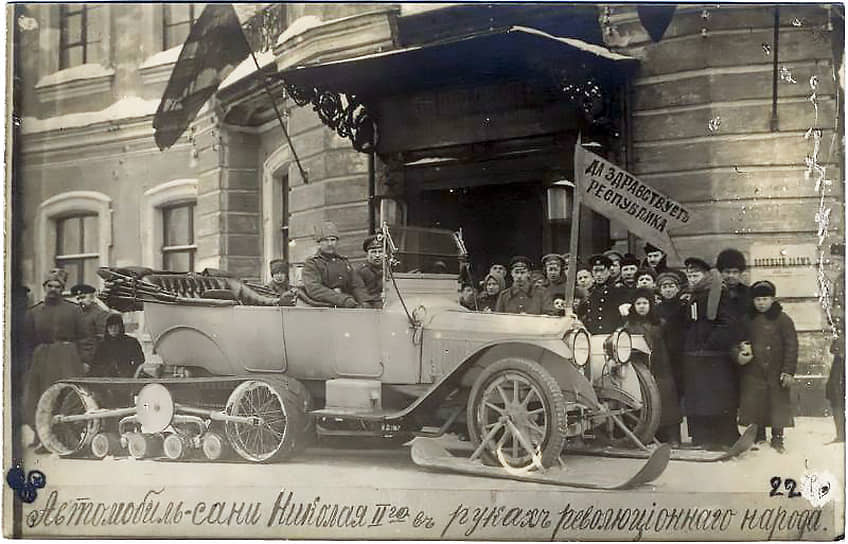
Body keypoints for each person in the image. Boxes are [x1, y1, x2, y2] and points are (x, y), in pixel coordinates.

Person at [680, 257, 741, 450]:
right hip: (695, 355)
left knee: (719, 398)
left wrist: (709, 344)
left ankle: (725, 438)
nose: (692, 279)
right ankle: (702, 437)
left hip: (715, 356)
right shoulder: (692, 295)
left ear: (705, 275)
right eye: (689, 275)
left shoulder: (719, 293)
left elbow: (727, 323)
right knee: (698, 399)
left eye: (695, 275)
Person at [21, 269, 86, 448]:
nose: (53, 289)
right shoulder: (33, 312)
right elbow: (27, 341)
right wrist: (28, 364)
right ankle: (40, 435)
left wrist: (85, 361)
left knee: (64, 397)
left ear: (62, 289)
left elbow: (86, 337)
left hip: (66, 358)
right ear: (44, 287)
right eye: (50, 286)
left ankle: (61, 436)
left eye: (58, 286)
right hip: (41, 358)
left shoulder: (74, 310)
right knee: (34, 398)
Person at [738, 281, 798, 453]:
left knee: (777, 405)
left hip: (776, 370)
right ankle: (759, 436)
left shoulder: (783, 319)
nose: (761, 303)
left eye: (765, 299)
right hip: (753, 370)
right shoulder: (747, 319)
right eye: (757, 299)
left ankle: (777, 438)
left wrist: (788, 370)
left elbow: (791, 346)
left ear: (772, 299)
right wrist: (742, 351)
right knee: (756, 405)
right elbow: (739, 339)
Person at [625, 288, 682, 445]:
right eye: (638, 303)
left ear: (651, 305)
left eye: (645, 303)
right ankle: (650, 435)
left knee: (667, 400)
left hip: (662, 367)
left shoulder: (660, 323)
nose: (642, 306)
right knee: (646, 402)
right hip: (641, 368)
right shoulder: (629, 325)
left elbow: (671, 345)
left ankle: (673, 437)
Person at [302, 221, 370, 308]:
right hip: (323, 308)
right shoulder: (312, 263)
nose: (330, 244)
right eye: (325, 240)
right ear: (319, 243)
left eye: (333, 240)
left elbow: (356, 284)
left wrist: (364, 301)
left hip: (348, 305)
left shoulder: (343, 262)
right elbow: (315, 289)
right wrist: (343, 299)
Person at [655, 271, 687, 402]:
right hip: (664, 351)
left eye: (671, 286)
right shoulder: (656, 309)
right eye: (664, 287)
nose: (668, 290)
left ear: (678, 288)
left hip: (681, 351)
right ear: (660, 290)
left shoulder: (684, 306)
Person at [577, 255, 626, 334]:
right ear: (592, 273)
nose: (599, 274)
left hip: (611, 335)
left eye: (602, 270)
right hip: (594, 335)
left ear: (609, 271)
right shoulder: (592, 292)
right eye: (596, 271)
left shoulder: (618, 290)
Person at [70, 283, 113, 372]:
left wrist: (88, 362)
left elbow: (102, 340)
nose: (80, 301)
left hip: (93, 360)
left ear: (92, 297)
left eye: (83, 297)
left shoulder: (100, 314)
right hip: (77, 358)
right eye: (78, 299)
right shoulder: (78, 313)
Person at [91, 313, 145, 378]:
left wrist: (132, 373)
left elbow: (140, 360)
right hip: (106, 379)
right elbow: (96, 364)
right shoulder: (102, 345)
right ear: (107, 328)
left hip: (127, 378)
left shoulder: (131, 342)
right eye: (110, 327)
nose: (113, 329)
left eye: (116, 326)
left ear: (121, 327)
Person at [716, 248, 750, 319]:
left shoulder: (749, 293)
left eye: (735, 272)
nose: (731, 276)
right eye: (727, 272)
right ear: (721, 272)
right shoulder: (714, 294)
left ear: (740, 273)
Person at [826, 336, 845, 443]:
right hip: (838, 377)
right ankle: (841, 435)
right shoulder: (839, 335)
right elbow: (833, 349)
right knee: (837, 405)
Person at [357, 235, 384, 307]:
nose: (377, 255)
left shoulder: (388, 270)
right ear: (367, 254)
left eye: (380, 251)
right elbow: (362, 294)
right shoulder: (361, 271)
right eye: (373, 252)